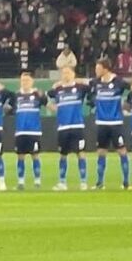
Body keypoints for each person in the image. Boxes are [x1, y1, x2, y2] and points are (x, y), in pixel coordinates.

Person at [48, 63, 89, 191]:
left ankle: (83, 182)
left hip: (77, 125)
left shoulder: (80, 88)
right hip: (63, 127)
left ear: (73, 74)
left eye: (68, 73)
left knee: (80, 153)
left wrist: (78, 80)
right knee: (63, 154)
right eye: (64, 73)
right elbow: (47, 98)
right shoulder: (57, 90)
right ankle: (62, 182)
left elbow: (92, 84)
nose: (66, 75)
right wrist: (52, 107)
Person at [90, 59, 128, 190]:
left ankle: (126, 182)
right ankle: (100, 182)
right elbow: (85, 86)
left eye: (98, 68)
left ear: (105, 69)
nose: (96, 71)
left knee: (121, 151)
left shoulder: (118, 82)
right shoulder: (95, 83)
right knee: (101, 151)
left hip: (115, 122)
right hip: (101, 123)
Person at [11, 71, 45, 190]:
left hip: (34, 131)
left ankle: (37, 181)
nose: (25, 83)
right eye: (23, 80)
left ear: (32, 82)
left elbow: (48, 104)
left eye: (27, 80)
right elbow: (9, 109)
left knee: (35, 156)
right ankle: (20, 182)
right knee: (20, 157)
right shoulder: (16, 96)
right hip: (20, 131)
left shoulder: (37, 95)